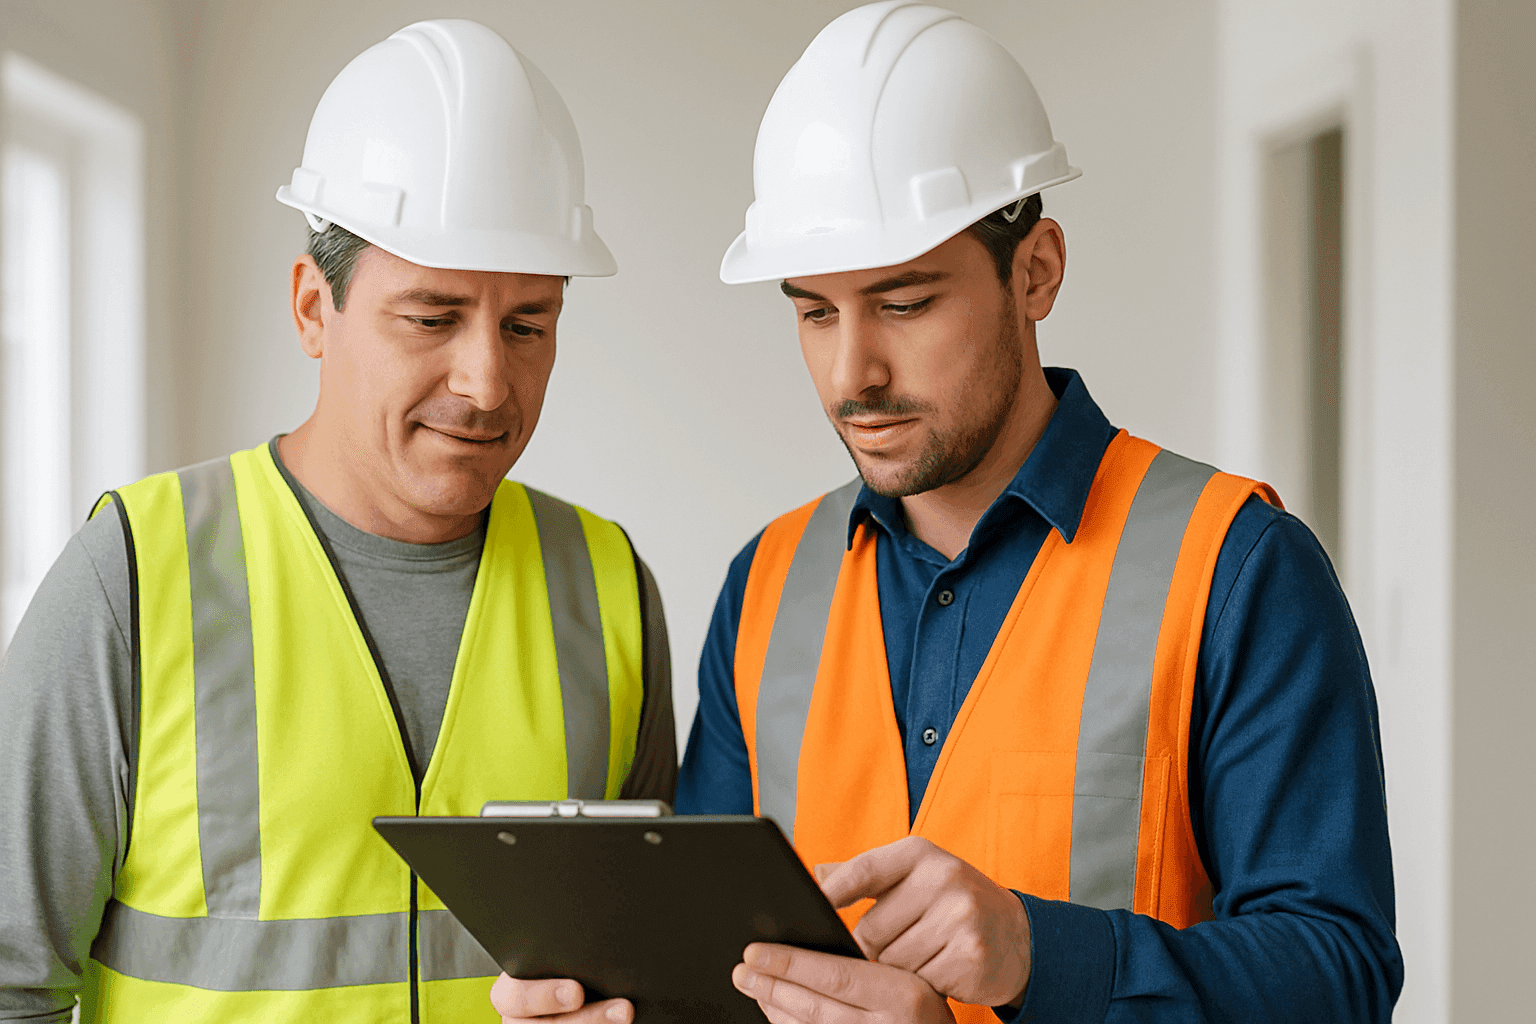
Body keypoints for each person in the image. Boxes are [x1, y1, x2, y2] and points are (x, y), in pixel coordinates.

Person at [490, 3, 1398, 1023]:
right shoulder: (769, 583)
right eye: (814, 310)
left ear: (1036, 270)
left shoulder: (1236, 568)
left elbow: (1339, 978)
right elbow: (721, 974)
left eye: (905, 302)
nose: (852, 373)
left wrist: (1036, 953)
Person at [0, 19, 675, 1024]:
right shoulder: (135, 578)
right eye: (432, 317)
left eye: (529, 322)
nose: (488, 380)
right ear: (315, 308)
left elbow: (653, 969)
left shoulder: (607, 586)